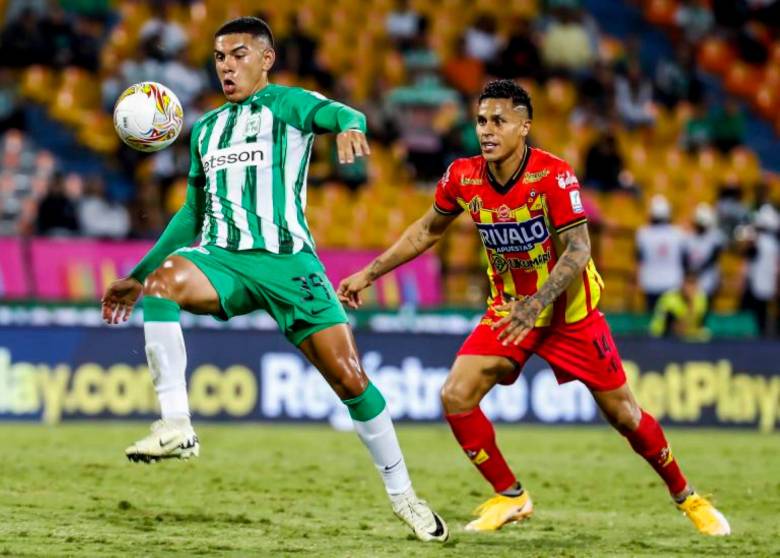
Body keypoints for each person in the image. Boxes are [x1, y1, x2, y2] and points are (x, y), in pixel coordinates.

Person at [100, 16, 447, 543]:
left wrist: (351, 125)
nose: (226, 66)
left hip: (291, 265)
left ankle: (405, 497)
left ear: (266, 59)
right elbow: (193, 212)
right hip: (225, 259)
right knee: (165, 284)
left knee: (351, 382)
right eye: (219, 58)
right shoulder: (206, 131)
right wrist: (138, 274)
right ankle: (177, 424)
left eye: (238, 54)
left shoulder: (284, 105)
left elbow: (337, 111)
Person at [338, 80, 730, 536]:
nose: (487, 130)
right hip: (509, 311)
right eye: (481, 120)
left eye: (499, 121)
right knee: (455, 396)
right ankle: (511, 496)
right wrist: (369, 273)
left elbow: (579, 249)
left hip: (570, 315)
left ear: (524, 126)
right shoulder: (462, 176)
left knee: (625, 415)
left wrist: (539, 302)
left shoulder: (553, 175)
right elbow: (427, 230)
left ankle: (688, 497)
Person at [636, 195, 687, 311]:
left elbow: (639, 261)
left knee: (653, 320)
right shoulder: (678, 233)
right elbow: (685, 261)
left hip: (650, 282)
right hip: (673, 282)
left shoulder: (643, 233)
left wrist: (638, 281)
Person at [649, 271, 710, 341]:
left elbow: (700, 323)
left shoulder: (701, 298)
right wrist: (690, 304)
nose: (690, 288)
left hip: (687, 336)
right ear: (682, 284)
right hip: (661, 335)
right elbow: (676, 328)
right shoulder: (669, 299)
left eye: (693, 284)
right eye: (688, 284)